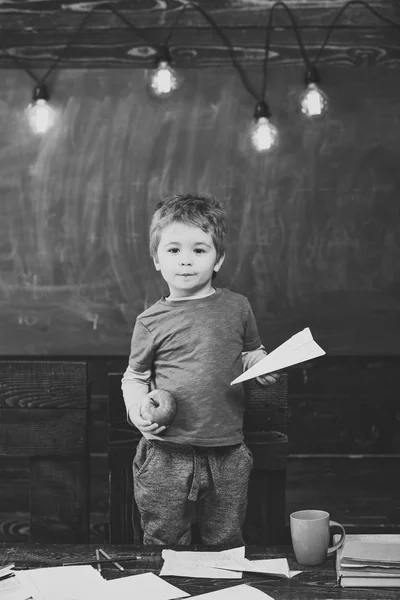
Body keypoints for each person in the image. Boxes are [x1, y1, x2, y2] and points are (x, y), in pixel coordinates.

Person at [121, 193, 279, 546]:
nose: (186, 261)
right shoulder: (149, 321)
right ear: (157, 260)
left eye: (199, 250)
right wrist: (136, 410)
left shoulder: (238, 308)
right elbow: (135, 376)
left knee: (225, 539)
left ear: (218, 258)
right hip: (165, 452)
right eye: (174, 250)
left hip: (227, 451)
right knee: (163, 539)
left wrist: (261, 365)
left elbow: (252, 352)